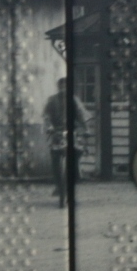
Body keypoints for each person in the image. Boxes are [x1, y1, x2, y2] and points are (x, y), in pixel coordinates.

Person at [44, 77, 90, 208]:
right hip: (57, 132)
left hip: (72, 131)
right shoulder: (52, 100)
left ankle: (76, 175)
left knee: (77, 152)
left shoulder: (74, 100)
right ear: (58, 87)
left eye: (66, 86)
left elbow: (81, 115)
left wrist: (86, 128)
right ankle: (58, 184)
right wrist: (49, 126)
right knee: (54, 156)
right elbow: (46, 116)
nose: (63, 89)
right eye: (61, 86)